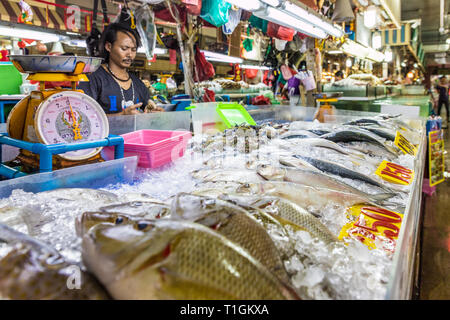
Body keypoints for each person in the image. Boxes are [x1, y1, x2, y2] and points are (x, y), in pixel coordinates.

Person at [78, 23, 164, 115]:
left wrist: (153, 113)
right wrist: (122, 116)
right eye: (124, 48)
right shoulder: (93, 78)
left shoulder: (137, 83)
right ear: (108, 47)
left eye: (133, 50)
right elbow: (84, 116)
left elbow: (147, 109)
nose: (130, 54)